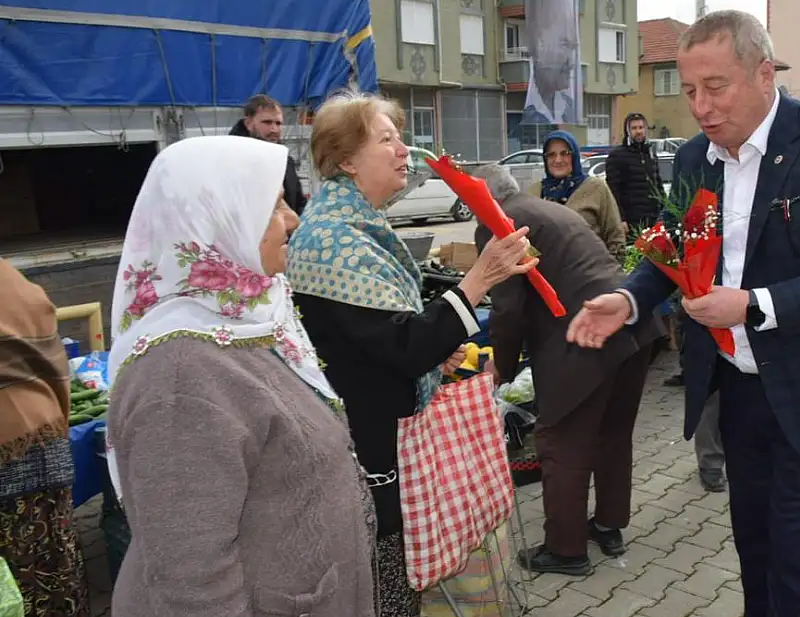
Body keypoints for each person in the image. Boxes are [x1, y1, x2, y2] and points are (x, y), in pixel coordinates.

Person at [565, 10, 800, 617]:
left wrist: (753, 305)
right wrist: (627, 299)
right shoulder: (698, 157)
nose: (700, 106)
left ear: (762, 74)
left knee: (799, 563)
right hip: (738, 390)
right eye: (691, 89)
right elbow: (674, 247)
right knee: (754, 549)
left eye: (716, 87)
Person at [284, 92, 536, 616]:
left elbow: (378, 334)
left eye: (399, 136)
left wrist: (434, 350)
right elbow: (400, 346)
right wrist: (478, 279)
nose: (404, 149)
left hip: (377, 436)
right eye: (387, 138)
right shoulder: (333, 237)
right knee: (386, 588)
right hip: (370, 449)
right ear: (347, 159)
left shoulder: (354, 224)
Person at [106, 135, 378, 616]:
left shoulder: (250, 316)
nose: (293, 219)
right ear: (218, 219)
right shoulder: (180, 377)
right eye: (273, 207)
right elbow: (191, 584)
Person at [471, 164, 664, 575]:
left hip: (585, 334)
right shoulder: (545, 208)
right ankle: (608, 525)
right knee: (613, 433)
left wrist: (499, 365)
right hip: (631, 322)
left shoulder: (500, 224)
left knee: (561, 441)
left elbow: (507, 309)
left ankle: (565, 549)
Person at [0, 259, 90, 617]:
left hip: (14, 442)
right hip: (40, 428)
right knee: (52, 564)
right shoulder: (8, 276)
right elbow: (43, 324)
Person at [528, 131, 625, 261]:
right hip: (547, 278)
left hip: (590, 275)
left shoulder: (596, 188)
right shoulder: (534, 193)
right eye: (551, 154)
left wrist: (611, 274)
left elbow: (615, 236)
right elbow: (526, 242)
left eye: (565, 153)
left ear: (574, 156)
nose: (558, 160)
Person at [230, 93, 309, 214]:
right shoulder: (232, 160)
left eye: (278, 123)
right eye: (267, 122)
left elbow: (299, 203)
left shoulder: (286, 161)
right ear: (248, 123)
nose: (274, 129)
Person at [605, 112, 664, 234]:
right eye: (634, 128)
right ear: (628, 131)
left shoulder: (650, 153)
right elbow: (613, 191)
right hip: (631, 222)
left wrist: (665, 212)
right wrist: (620, 218)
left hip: (653, 220)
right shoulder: (617, 156)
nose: (638, 131)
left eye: (641, 127)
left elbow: (658, 185)